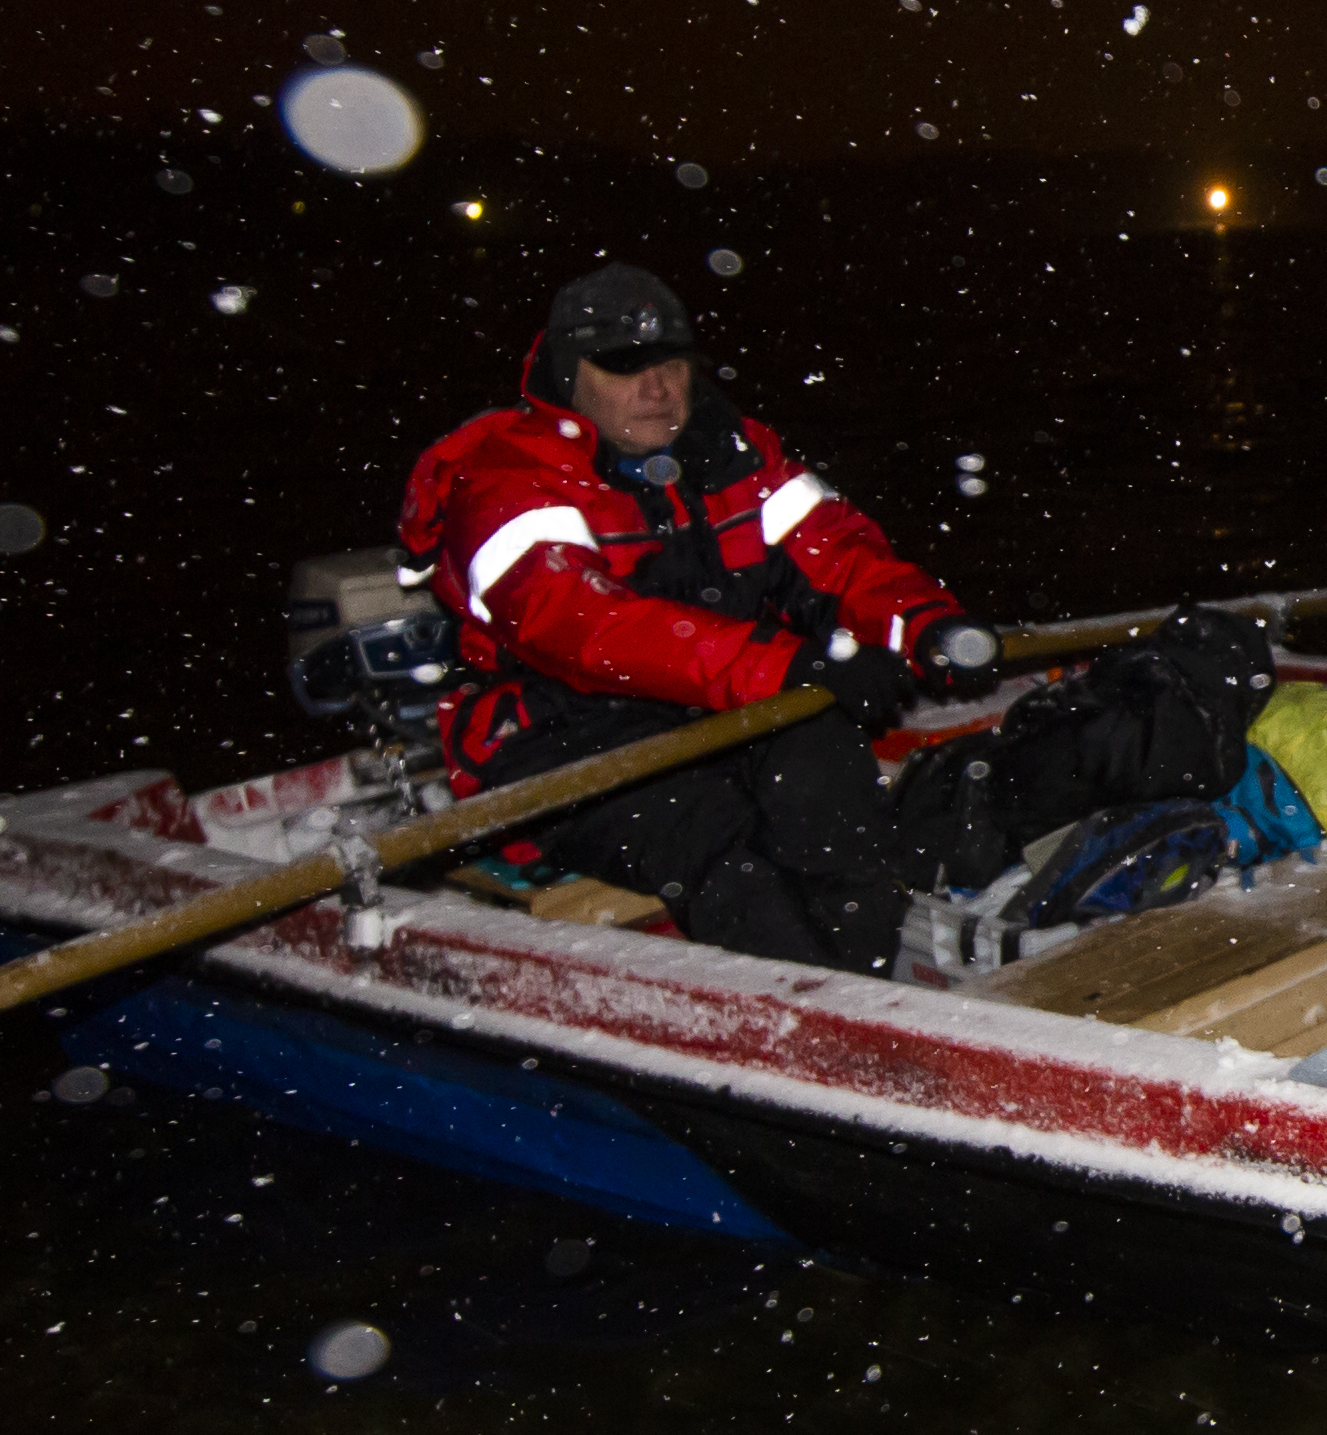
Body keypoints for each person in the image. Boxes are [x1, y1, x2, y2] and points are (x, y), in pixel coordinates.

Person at [397, 261, 991, 971]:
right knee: (721, 848)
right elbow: (583, 625)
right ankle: (804, 1016)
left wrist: (925, 624)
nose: (656, 388)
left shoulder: (734, 451)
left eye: (672, 363)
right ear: (568, 374)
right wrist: (786, 665)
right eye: (624, 366)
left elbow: (837, 557)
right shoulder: (509, 478)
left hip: (719, 707)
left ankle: (869, 992)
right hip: (561, 737)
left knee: (831, 784)